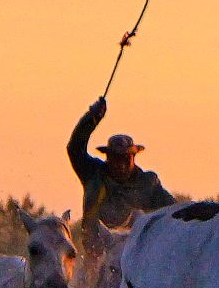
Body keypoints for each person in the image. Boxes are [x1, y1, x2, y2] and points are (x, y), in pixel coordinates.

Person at [66, 97, 175, 230]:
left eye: (125, 159)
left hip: (136, 248)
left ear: (133, 158)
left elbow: (174, 211)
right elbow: (75, 149)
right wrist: (91, 119)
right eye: (116, 159)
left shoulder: (148, 183)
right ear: (107, 158)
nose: (121, 165)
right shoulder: (93, 174)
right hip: (98, 248)